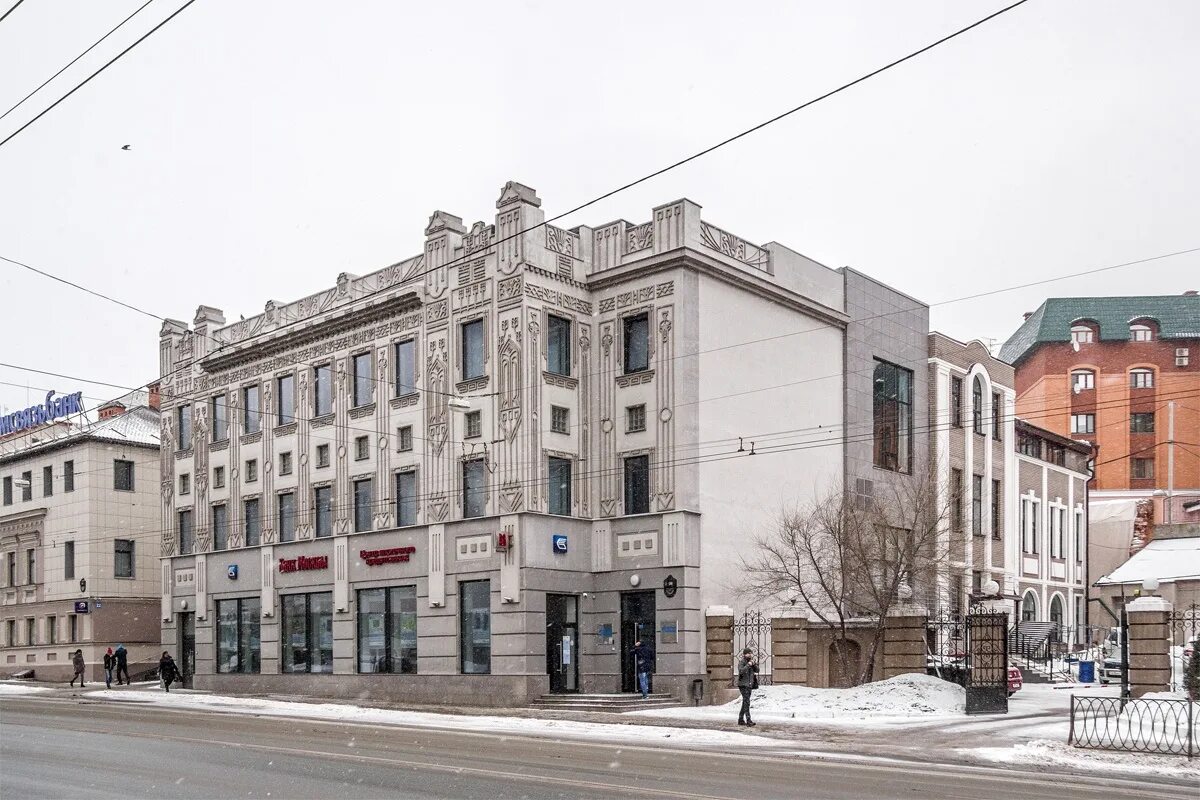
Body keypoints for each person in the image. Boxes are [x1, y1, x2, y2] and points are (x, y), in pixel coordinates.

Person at [736, 647, 759, 727]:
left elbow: (757, 670)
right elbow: (741, 671)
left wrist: (754, 664)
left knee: (745, 702)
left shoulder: (751, 662)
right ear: (744, 654)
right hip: (743, 685)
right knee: (747, 702)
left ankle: (740, 719)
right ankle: (748, 720)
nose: (750, 654)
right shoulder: (742, 662)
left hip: (749, 685)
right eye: (748, 653)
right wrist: (748, 665)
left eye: (751, 653)